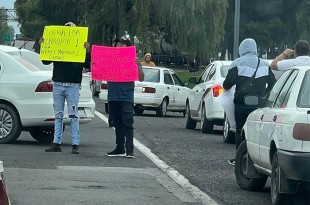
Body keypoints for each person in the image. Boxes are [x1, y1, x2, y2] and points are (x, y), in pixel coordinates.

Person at [223, 38, 276, 165]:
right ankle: (256, 160)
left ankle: (240, 159)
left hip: (241, 103)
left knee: (240, 130)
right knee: (257, 131)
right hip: (259, 104)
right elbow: (273, 83)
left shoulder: (237, 63)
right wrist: (264, 95)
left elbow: (227, 84)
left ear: (242, 49)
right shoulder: (263, 64)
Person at [41, 22, 91, 154]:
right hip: (59, 84)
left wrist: (87, 51)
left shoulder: (80, 47)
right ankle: (56, 142)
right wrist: (43, 45)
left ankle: (75, 143)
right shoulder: (58, 46)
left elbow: (87, 64)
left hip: (72, 85)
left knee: (73, 115)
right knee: (58, 115)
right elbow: (45, 60)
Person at [106, 37, 144, 158]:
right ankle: (119, 148)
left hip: (126, 97)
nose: (120, 47)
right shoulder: (110, 60)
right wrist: (96, 65)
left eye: (123, 45)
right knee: (117, 124)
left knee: (127, 123)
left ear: (128, 48)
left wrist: (137, 65)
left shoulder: (133, 60)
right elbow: (100, 72)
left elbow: (142, 78)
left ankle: (130, 150)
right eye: (117, 45)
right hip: (113, 96)